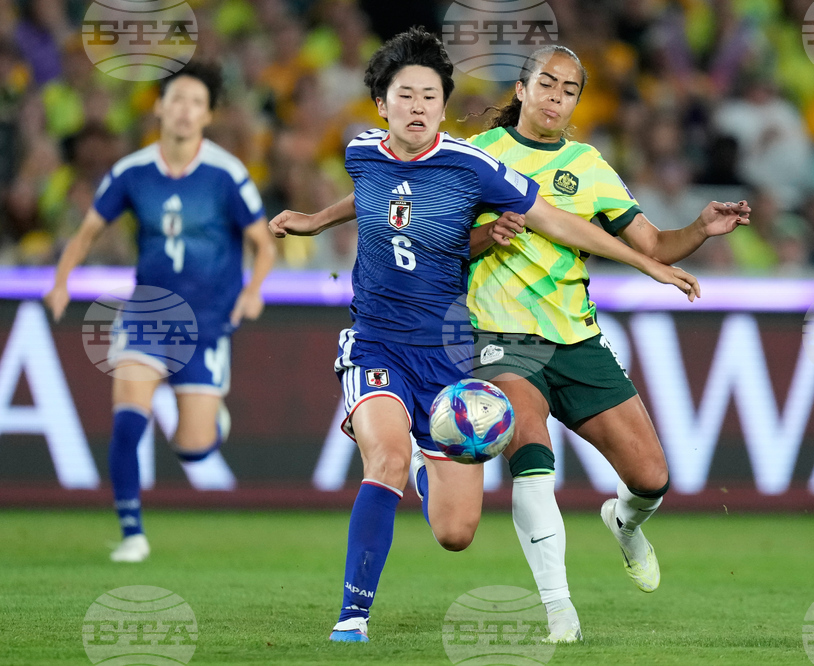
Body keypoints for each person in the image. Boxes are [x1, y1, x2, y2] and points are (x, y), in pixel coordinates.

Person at [266, 28, 701, 644]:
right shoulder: (362, 151)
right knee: (386, 461)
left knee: (455, 532)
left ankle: (429, 464)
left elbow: (558, 221)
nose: (417, 106)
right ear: (382, 105)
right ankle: (353, 617)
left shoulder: (473, 164)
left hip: (450, 357)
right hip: (381, 343)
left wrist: (647, 263)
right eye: (404, 95)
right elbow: (372, 194)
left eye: (429, 96)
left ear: (443, 108)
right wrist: (315, 220)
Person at [466, 45, 751, 642]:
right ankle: (558, 610)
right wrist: (487, 237)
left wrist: (699, 229)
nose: (557, 97)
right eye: (547, 84)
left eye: (570, 90)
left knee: (651, 478)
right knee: (532, 461)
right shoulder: (479, 156)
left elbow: (651, 244)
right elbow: (441, 244)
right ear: (522, 89)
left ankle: (623, 523)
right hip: (503, 336)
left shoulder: (588, 165)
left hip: (577, 340)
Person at [43, 62, 275, 563]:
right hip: (149, 313)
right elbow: (86, 231)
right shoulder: (131, 172)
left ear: (208, 114)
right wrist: (60, 281)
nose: (185, 110)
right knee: (127, 418)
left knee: (193, 448)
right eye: (177, 100)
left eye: (196, 102)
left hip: (209, 321)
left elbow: (263, 242)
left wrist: (254, 289)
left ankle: (212, 424)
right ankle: (132, 533)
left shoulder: (226, 173)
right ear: (160, 108)